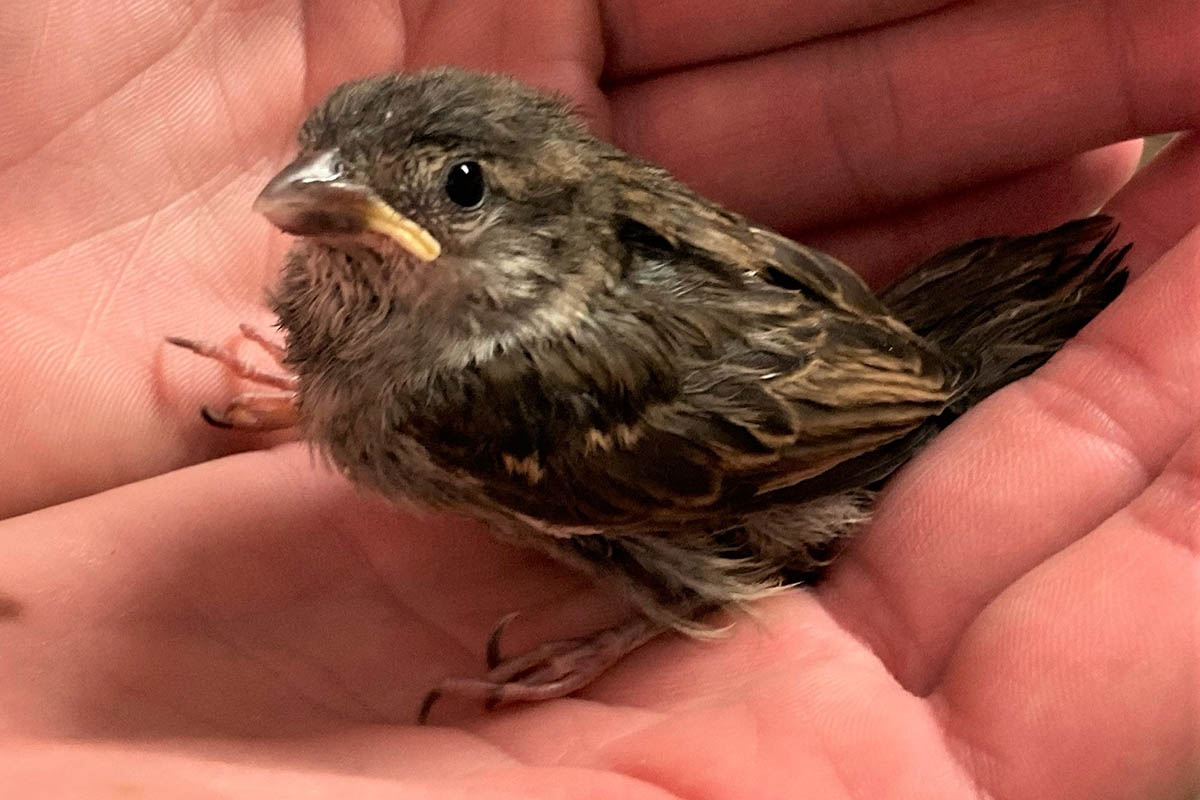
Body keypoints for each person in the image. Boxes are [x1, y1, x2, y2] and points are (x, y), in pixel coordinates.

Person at [0, 1, 1196, 796]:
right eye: (326, 166)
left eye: (458, 189)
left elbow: (747, 461)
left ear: (543, 225)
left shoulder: (496, 390)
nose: (314, 202)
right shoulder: (351, 297)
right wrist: (319, 386)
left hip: (806, 432)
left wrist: (621, 627)